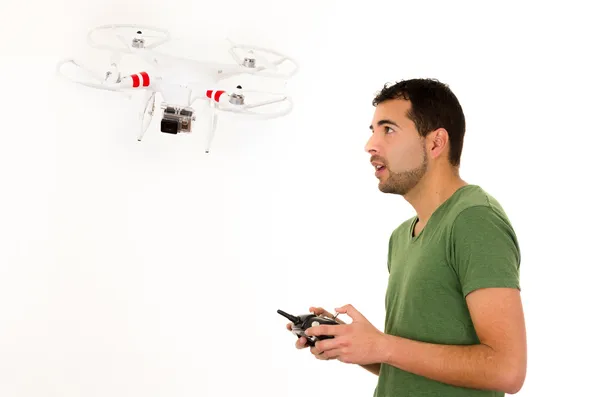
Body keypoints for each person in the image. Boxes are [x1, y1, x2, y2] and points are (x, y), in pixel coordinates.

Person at [286, 78, 527, 396]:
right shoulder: (401, 237)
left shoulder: (474, 220)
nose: (370, 145)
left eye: (388, 130)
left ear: (436, 143)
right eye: (373, 130)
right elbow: (413, 365)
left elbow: (506, 370)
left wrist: (382, 345)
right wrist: (357, 345)